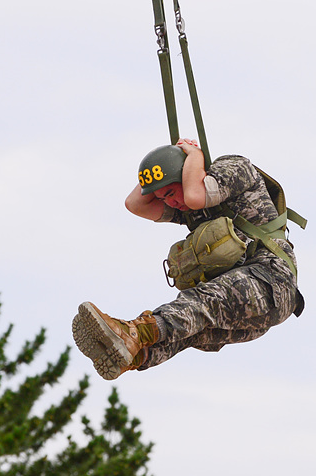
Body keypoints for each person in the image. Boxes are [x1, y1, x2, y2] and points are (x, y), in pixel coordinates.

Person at [72, 138, 303, 380]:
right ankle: (134, 355)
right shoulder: (193, 209)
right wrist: (157, 174)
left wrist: (193, 155)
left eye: (170, 193)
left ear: (185, 174)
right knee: (190, 330)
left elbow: (194, 195)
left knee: (203, 301)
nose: (170, 202)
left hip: (272, 284)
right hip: (251, 311)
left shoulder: (234, 168)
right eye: (162, 199)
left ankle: (133, 332)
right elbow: (134, 204)